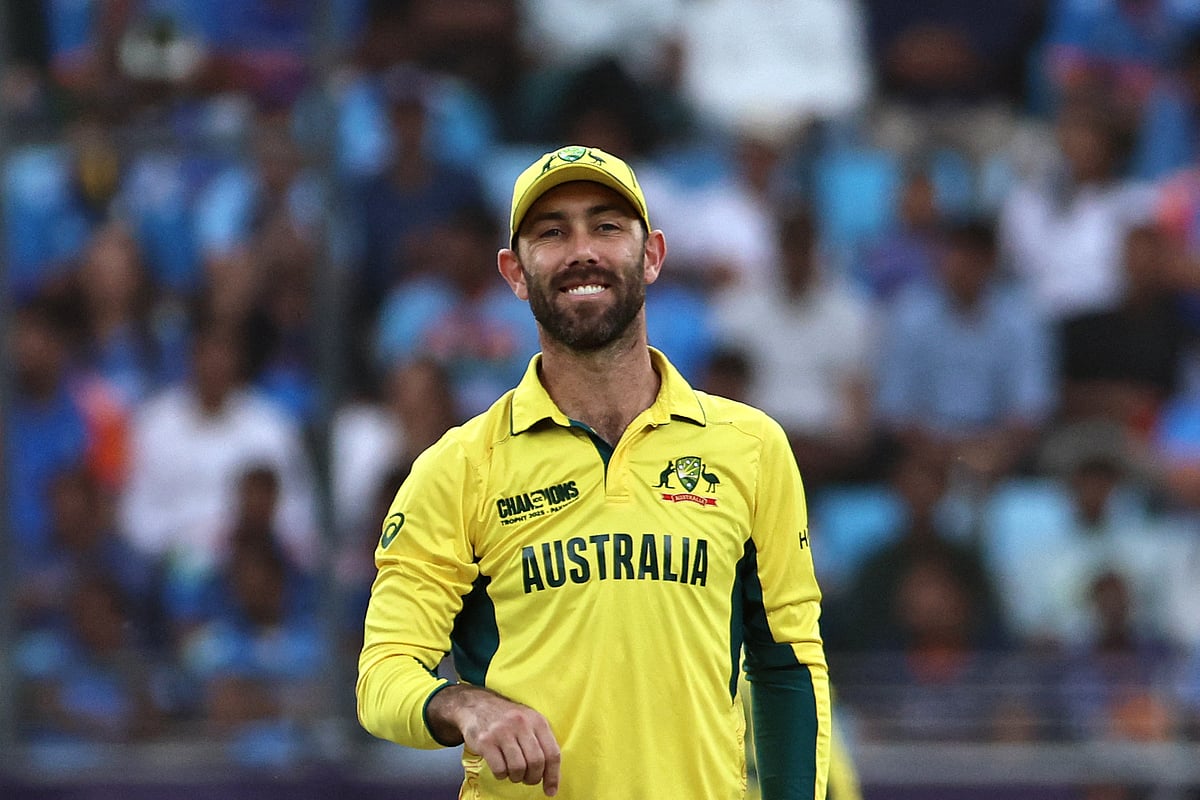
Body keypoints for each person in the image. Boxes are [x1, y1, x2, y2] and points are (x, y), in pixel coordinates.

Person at [357, 145, 831, 799]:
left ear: (653, 254)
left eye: (606, 226)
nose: (582, 250)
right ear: (515, 272)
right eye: (551, 232)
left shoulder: (750, 448)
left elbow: (787, 669)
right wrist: (466, 706)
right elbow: (383, 674)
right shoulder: (457, 468)